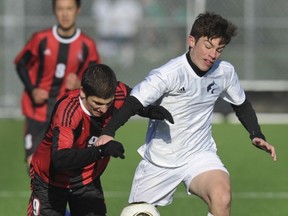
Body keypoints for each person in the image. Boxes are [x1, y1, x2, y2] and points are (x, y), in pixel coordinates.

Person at [96, 12, 277, 216]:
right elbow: (133, 102)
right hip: (160, 160)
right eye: (208, 46)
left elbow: (241, 104)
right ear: (191, 41)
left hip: (199, 155)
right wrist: (108, 131)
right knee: (137, 213)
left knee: (222, 196)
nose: (213, 55)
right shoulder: (168, 74)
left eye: (219, 49)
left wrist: (256, 134)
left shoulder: (224, 72)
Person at [26, 63, 173, 216]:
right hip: (49, 181)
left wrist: (150, 110)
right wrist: (101, 151)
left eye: (108, 103)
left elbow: (134, 102)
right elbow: (61, 159)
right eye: (97, 103)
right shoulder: (67, 112)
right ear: (83, 92)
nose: (103, 109)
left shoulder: (118, 92)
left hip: (87, 181)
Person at [14, 0, 101, 169]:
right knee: (34, 162)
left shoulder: (87, 45)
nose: (65, 14)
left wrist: (80, 83)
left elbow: (95, 77)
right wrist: (33, 90)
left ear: (78, 10)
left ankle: (56, 194)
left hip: (66, 113)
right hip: (38, 110)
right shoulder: (41, 39)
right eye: (60, 9)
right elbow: (21, 64)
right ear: (54, 11)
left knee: (63, 164)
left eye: (69, 9)